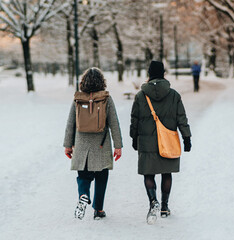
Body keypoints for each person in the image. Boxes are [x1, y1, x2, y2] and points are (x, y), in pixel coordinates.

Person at [130, 61, 191, 224]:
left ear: (149, 74)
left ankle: (153, 202)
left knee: (148, 174)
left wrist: (133, 137)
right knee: (166, 173)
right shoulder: (174, 95)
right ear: (164, 73)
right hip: (168, 141)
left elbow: (134, 119)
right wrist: (186, 138)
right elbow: (181, 118)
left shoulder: (140, 96)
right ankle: (164, 207)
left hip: (146, 141)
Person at [63, 67, 123, 221]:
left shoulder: (78, 98)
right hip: (101, 144)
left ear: (83, 82)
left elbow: (71, 123)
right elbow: (114, 123)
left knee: (83, 175)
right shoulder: (106, 98)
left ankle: (83, 195)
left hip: (82, 144)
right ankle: (98, 209)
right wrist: (118, 145)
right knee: (101, 177)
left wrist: (68, 145)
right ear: (102, 82)